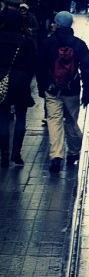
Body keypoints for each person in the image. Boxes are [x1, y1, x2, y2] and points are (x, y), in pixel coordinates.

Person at [37, 11, 89, 173]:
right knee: (71, 121)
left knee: (54, 121)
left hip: (52, 90)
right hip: (72, 90)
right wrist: (86, 91)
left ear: (58, 24)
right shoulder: (79, 44)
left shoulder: (48, 43)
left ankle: (56, 155)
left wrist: (42, 87)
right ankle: (74, 151)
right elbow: (87, 70)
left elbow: (40, 67)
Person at [0, 9, 37, 167]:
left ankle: (4, 155)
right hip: (21, 80)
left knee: (3, 116)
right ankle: (16, 152)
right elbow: (33, 64)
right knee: (21, 116)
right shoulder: (26, 41)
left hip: (1, 79)